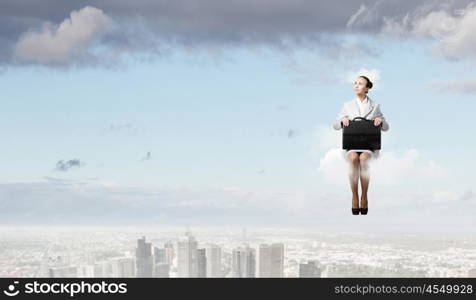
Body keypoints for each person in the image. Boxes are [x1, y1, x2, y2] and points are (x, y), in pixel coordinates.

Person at [333, 76, 389, 215]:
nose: (356, 85)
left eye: (360, 83)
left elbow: (386, 127)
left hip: (368, 146)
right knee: (353, 158)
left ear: (367, 88)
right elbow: (335, 126)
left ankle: (364, 196)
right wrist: (342, 120)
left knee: (363, 158)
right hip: (351, 144)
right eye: (355, 83)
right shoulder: (347, 105)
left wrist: (380, 120)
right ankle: (354, 196)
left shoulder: (375, 106)